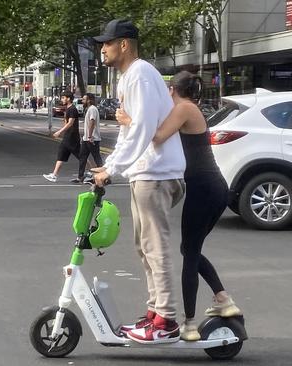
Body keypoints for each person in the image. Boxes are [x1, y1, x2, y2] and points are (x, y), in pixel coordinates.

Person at [115, 71, 242, 341]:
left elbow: (157, 136)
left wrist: (128, 120)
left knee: (190, 254)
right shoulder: (188, 108)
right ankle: (223, 299)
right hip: (207, 187)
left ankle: (190, 324)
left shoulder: (185, 108)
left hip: (205, 188)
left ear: (172, 90)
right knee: (189, 249)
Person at [92, 19, 186, 344]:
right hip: (144, 173)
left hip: (156, 174)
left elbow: (143, 128)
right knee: (143, 247)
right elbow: (126, 132)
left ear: (124, 45)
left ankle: (167, 320)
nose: (102, 48)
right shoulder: (128, 79)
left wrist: (112, 170)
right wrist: (109, 166)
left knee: (155, 247)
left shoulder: (141, 74)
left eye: (107, 42)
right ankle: (154, 313)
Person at [42, 91, 80, 182]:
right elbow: (66, 123)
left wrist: (59, 131)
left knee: (81, 156)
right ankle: (54, 175)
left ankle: (94, 172)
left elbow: (70, 123)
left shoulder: (72, 109)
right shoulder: (68, 108)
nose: (62, 99)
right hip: (68, 136)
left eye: (63, 98)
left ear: (69, 99)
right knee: (61, 155)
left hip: (72, 137)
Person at [71, 93, 103, 184]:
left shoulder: (92, 109)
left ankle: (104, 176)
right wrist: (85, 137)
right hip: (87, 139)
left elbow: (92, 122)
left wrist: (89, 136)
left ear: (89, 100)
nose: (82, 101)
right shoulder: (89, 109)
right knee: (82, 157)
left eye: (84, 99)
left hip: (92, 138)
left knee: (97, 158)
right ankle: (80, 177)